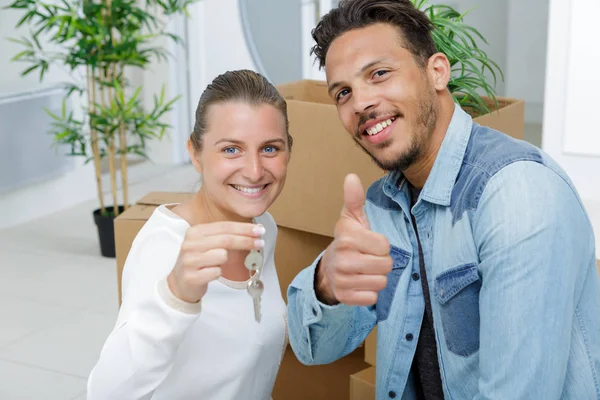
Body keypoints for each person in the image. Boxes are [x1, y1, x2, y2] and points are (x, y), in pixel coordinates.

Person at [287, 0, 600, 399]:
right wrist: (328, 280)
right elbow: (312, 348)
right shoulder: (383, 204)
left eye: (379, 74)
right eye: (343, 92)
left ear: (436, 71)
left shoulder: (517, 193)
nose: (361, 103)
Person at [87, 70, 293, 400]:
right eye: (231, 150)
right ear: (195, 153)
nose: (254, 171)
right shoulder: (165, 248)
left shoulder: (263, 226)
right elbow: (106, 393)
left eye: (270, 149)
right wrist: (175, 294)